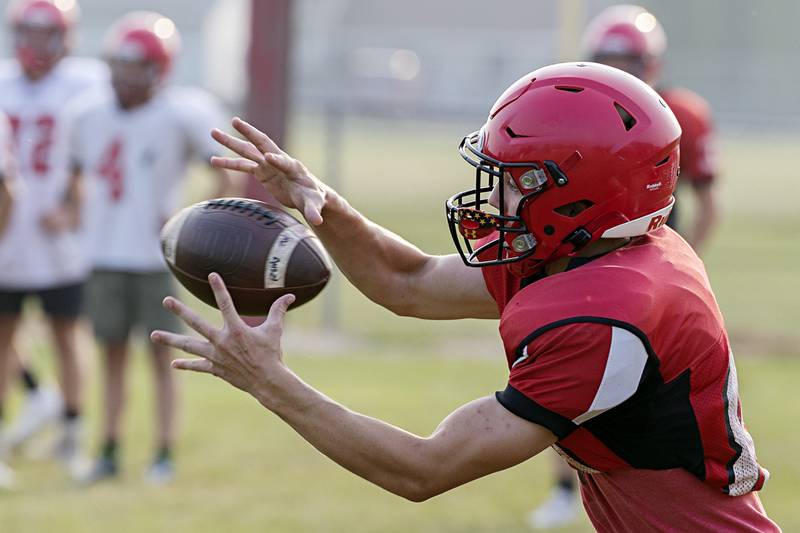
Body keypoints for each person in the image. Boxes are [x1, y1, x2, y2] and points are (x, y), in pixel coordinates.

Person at [153, 62, 778, 531]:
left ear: (579, 193)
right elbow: (409, 283)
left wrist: (269, 381)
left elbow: (422, 469)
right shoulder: (601, 249)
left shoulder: (605, 316)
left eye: (512, 180)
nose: (493, 196)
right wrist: (319, 202)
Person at [529, 7, 722, 527]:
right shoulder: (579, 120)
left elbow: (706, 201)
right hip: (590, 259)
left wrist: (686, 268)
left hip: (653, 261)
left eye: (630, 63)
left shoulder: (682, 115)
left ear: (653, 65)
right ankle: (567, 491)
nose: (623, 73)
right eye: (610, 62)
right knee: (561, 373)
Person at [71, 11, 237, 485]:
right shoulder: (89, 113)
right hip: (104, 252)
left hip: (155, 257)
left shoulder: (180, 112)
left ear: (159, 71)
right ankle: (108, 448)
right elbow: (76, 175)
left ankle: (163, 452)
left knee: (161, 360)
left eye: (134, 68)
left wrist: (202, 219)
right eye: (119, 67)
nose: (124, 79)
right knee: (111, 356)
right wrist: (74, 215)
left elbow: (224, 166)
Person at [0, 0, 107, 482]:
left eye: (48, 35)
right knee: (3, 339)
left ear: (67, 38)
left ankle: (70, 430)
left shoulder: (88, 85)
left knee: (67, 334)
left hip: (58, 240)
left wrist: (75, 209)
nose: (37, 46)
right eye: (30, 34)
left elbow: (104, 158)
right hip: (7, 239)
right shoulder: (4, 82)